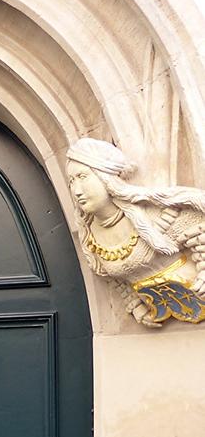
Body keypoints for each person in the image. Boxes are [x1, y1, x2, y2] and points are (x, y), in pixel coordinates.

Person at [65, 138, 205, 325]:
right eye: (71, 181)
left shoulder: (157, 215)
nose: (76, 191)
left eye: (82, 177)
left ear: (104, 176)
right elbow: (115, 277)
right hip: (158, 311)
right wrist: (135, 306)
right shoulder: (90, 237)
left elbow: (199, 230)